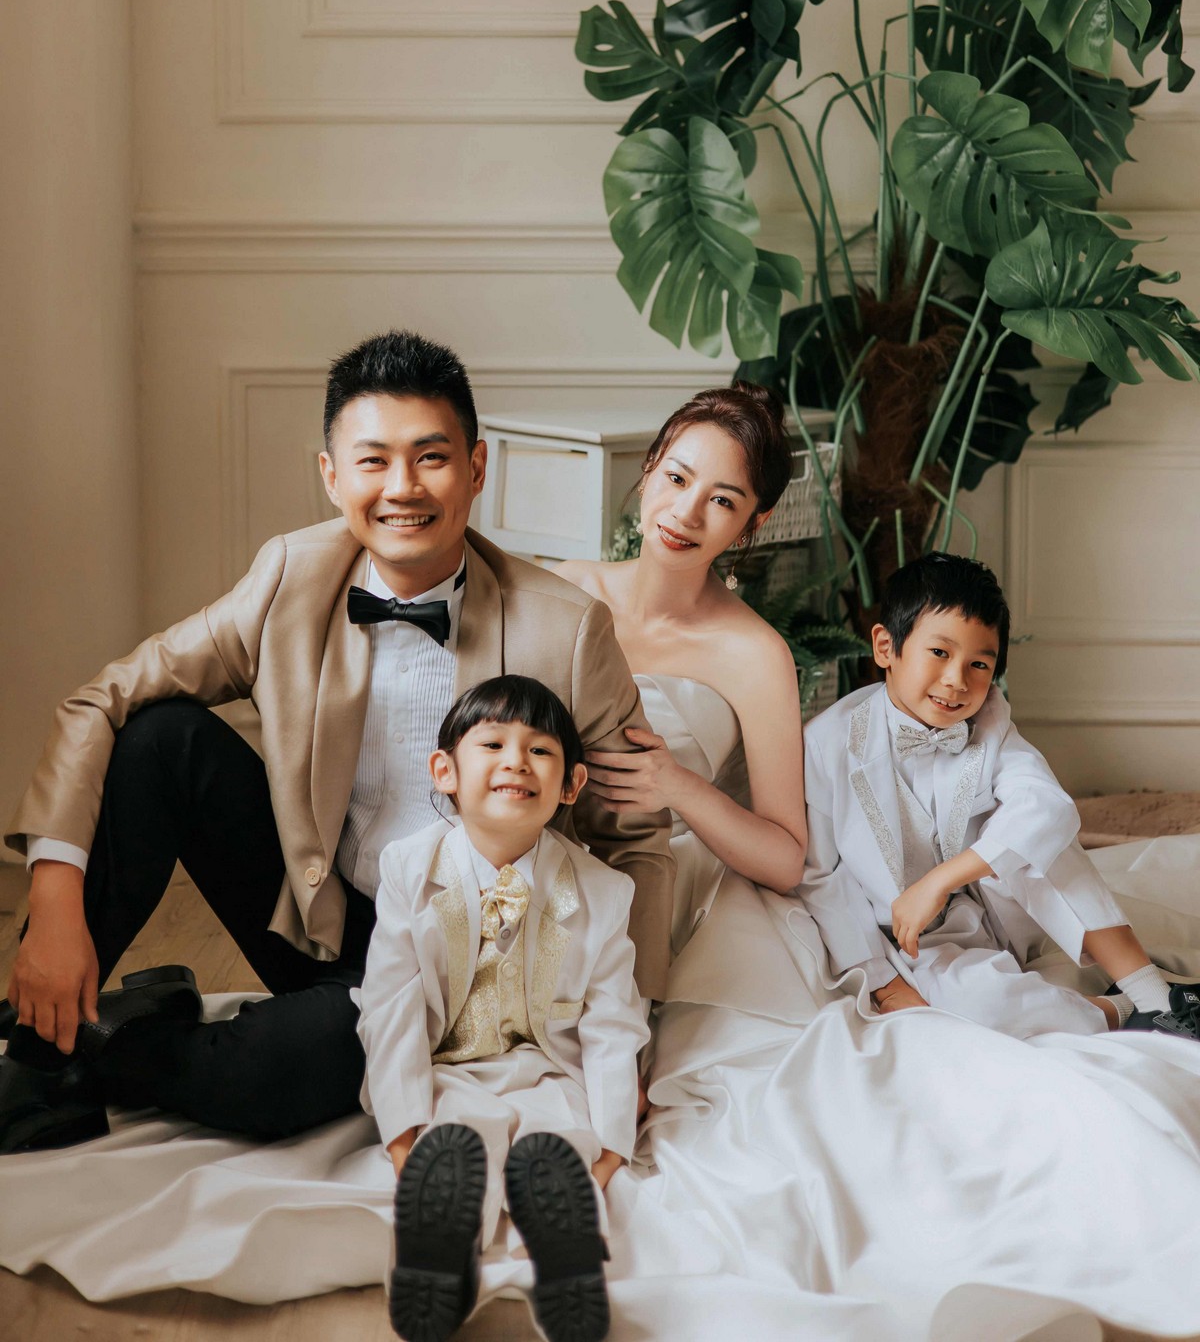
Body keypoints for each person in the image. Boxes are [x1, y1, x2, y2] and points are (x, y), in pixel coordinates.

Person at [1, 330, 673, 1153]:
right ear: (330, 476)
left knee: (267, 1081)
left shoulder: (567, 630)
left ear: (476, 468)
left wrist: (632, 1036)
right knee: (160, 740)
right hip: (318, 915)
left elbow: (637, 843)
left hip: (453, 961)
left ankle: (111, 1036)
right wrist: (54, 906)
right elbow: (100, 699)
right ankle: (40, 1055)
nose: (402, 488)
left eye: (431, 458)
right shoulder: (290, 576)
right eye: (373, 461)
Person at [801, 552, 1200, 1040]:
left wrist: (942, 879)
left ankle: (1158, 998)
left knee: (1041, 833)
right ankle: (1114, 1010)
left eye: (979, 664)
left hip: (1001, 910)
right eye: (939, 652)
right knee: (978, 1009)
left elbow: (1047, 806)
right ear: (886, 647)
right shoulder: (826, 743)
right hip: (915, 945)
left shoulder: (988, 720)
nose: (957, 681)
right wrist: (884, 984)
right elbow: (821, 878)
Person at [358, 675, 647, 1342]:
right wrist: (403, 1142)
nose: (517, 761)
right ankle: (442, 1252)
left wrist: (609, 1152)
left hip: (549, 1065)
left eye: (540, 751)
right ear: (446, 772)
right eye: (492, 745)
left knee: (559, 1141)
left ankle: (567, 1265)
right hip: (449, 1063)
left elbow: (612, 1025)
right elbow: (391, 1004)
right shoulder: (407, 868)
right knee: (456, 1138)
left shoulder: (604, 892)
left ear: (570, 785)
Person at [553, 381, 808, 955]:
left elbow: (785, 861)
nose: (686, 513)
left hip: (670, 900)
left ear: (753, 523)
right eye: (677, 478)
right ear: (649, 469)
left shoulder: (756, 655)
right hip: (538, 870)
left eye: (723, 501)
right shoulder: (567, 588)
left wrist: (677, 787)